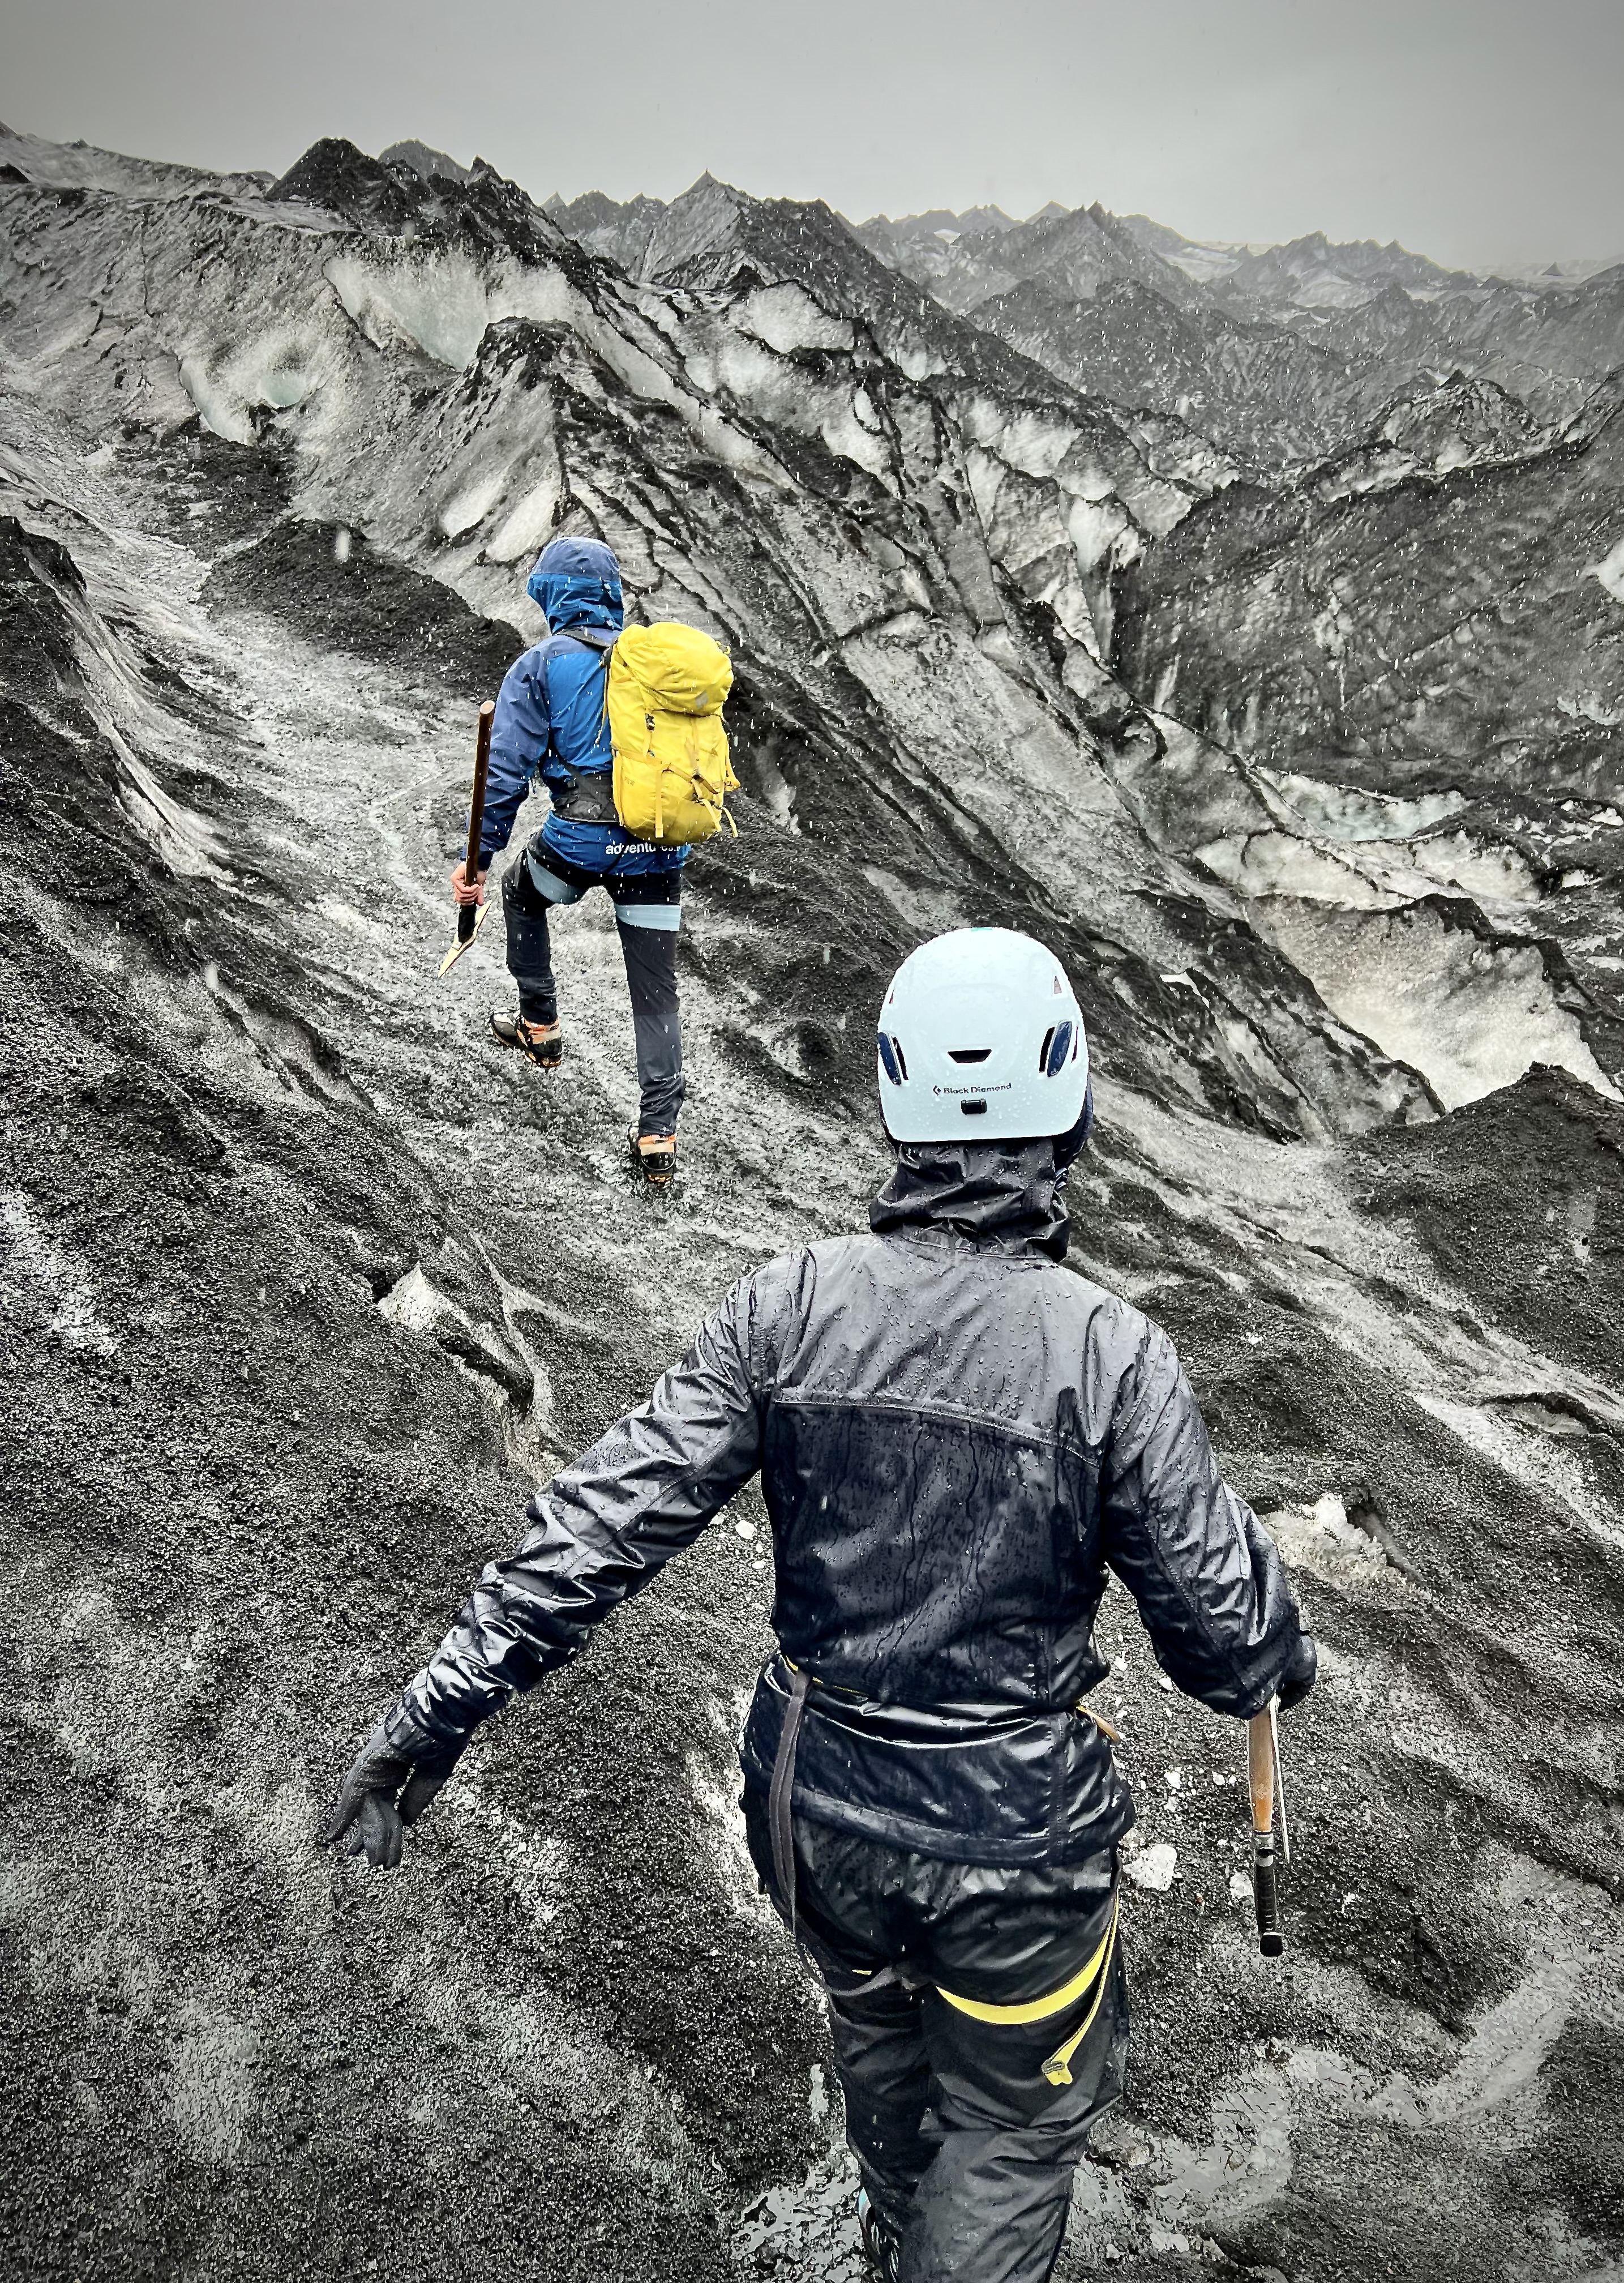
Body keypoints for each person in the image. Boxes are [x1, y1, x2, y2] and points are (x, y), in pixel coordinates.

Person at [322, 927, 1317, 2283]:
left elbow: (605, 1522)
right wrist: (1260, 1588)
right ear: (1070, 1104)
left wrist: (436, 1709)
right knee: (1016, 2136)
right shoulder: (1113, 1355)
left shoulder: (787, 1304)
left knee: (879, 2022)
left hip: (810, 1814)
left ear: (899, 1101)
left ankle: (895, 2234)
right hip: (1006, 1844)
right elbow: (1231, 1650)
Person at [451, 535, 685, 1187]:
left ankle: (540, 1023)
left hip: (581, 844)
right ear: (611, 594)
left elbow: (504, 776)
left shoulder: (543, 664)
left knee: (524, 894)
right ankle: (658, 1135)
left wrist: (478, 860)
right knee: (655, 990)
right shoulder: (651, 660)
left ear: (554, 597)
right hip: (658, 847)